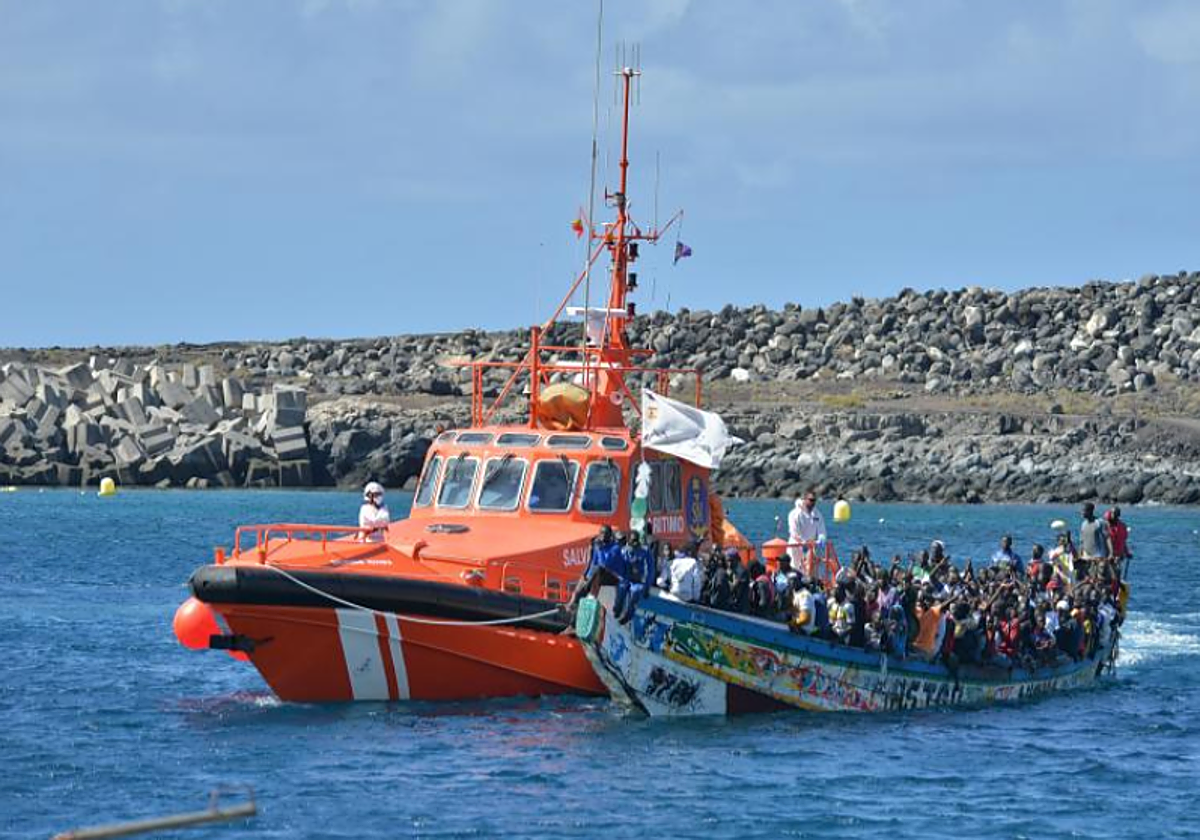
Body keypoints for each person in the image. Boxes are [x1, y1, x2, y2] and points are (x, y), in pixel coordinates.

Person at [787, 490, 827, 575]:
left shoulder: (817, 514)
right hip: (796, 547)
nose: (813, 503)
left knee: (811, 572)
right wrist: (804, 543)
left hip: (811, 548)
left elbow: (821, 530)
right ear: (804, 499)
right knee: (795, 570)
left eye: (815, 500)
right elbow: (794, 533)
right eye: (811, 500)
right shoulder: (794, 514)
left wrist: (821, 538)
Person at [1078, 502, 1110, 578]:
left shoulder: (1100, 522)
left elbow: (1107, 538)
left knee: (1098, 580)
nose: (1081, 513)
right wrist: (1080, 555)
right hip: (1086, 557)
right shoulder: (1083, 524)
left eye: (1083, 510)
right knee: (1086, 579)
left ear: (1090, 511)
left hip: (1098, 557)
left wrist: (1110, 554)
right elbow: (1081, 542)